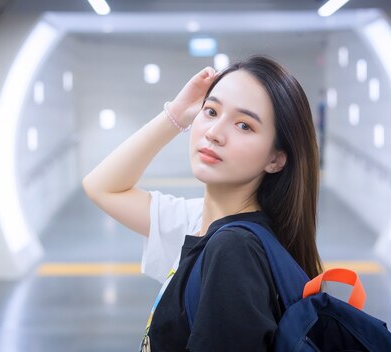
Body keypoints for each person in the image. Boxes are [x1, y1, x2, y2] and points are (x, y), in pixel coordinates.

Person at [82, 56, 323, 351]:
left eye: (244, 125)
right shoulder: (198, 221)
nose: (214, 133)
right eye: (211, 111)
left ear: (275, 159)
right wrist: (177, 114)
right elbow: (102, 187)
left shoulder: (233, 250)